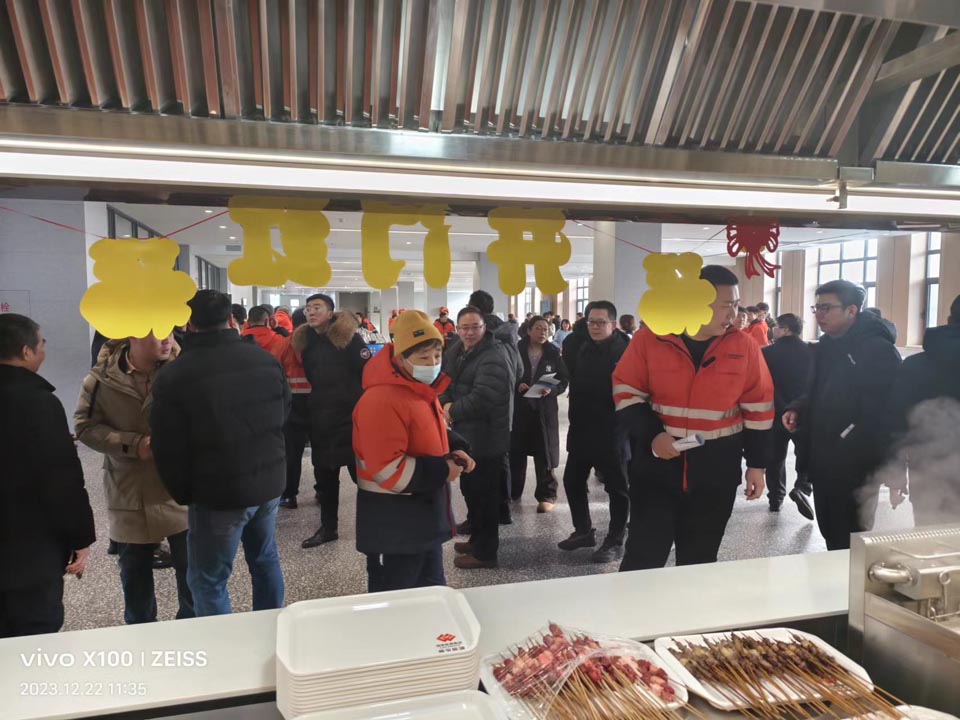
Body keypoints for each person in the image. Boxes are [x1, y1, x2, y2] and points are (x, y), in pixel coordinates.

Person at [616, 266, 773, 571]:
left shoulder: (744, 347)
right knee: (642, 559)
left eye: (736, 305)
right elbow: (626, 392)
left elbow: (759, 407)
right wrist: (653, 435)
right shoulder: (650, 339)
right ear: (695, 302)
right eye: (725, 305)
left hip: (715, 470)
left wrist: (757, 464)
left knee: (699, 561)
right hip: (657, 469)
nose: (734, 314)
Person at [150, 290, 290, 616]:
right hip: (268, 482)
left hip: (217, 492)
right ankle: (272, 627)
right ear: (231, 320)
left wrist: (183, 492)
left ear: (189, 324)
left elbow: (166, 443)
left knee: (209, 579)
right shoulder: (265, 360)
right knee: (264, 559)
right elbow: (283, 412)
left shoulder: (176, 375)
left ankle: (221, 644)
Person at [75, 332, 193, 624]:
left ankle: (193, 631)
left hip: (179, 486)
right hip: (129, 486)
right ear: (134, 336)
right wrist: (132, 444)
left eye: (169, 332)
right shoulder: (101, 378)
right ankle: (140, 635)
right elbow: (85, 426)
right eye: (157, 334)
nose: (167, 340)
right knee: (134, 575)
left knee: (192, 573)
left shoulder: (186, 371)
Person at [354, 311, 475, 592]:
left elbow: (427, 430)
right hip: (395, 527)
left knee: (431, 594)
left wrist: (456, 448)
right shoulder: (382, 400)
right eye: (423, 357)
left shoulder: (417, 389)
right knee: (399, 600)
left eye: (437, 355)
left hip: (421, 520)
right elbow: (388, 470)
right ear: (400, 357)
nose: (432, 363)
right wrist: (443, 470)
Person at [783, 279, 901, 550]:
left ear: (851, 310)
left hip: (856, 464)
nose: (819, 315)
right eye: (817, 308)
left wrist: (892, 467)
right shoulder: (826, 346)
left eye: (827, 308)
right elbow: (815, 391)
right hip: (821, 457)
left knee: (852, 537)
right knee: (830, 531)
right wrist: (797, 408)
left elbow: (886, 412)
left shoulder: (878, 350)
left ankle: (849, 577)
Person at [0, 314, 96, 637]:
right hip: (29, 549)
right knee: (33, 634)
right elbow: (60, 480)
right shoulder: (39, 403)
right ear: (26, 351)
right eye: (41, 344)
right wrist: (80, 537)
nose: (43, 350)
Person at [294, 293, 371, 547]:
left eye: (317, 307)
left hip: (351, 419)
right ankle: (328, 528)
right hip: (321, 419)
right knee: (325, 478)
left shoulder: (349, 338)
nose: (310, 312)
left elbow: (367, 373)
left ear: (330, 313)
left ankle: (373, 525)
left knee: (363, 478)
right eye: (307, 308)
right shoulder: (307, 342)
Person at [440, 306, 513, 569]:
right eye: (464, 328)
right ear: (457, 329)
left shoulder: (492, 356)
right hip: (466, 434)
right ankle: (476, 539)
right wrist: (444, 404)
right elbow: (443, 383)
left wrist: (451, 410)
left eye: (475, 327)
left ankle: (486, 553)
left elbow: (484, 397)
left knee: (486, 497)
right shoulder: (456, 351)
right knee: (471, 492)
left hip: (487, 438)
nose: (469, 333)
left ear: (484, 328)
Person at [558, 301, 631, 563]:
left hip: (612, 429)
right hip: (581, 426)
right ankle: (583, 530)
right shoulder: (582, 346)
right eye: (591, 322)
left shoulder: (625, 350)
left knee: (617, 487)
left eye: (601, 322)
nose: (595, 327)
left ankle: (615, 540)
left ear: (613, 324)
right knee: (572, 480)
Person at [882, 295, 960, 526]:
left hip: (928, 474)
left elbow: (895, 423)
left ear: (949, 320)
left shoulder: (915, 365)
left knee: (932, 538)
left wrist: (896, 475)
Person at [462, 289, 521, 525]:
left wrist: (454, 407)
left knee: (479, 468)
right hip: (505, 409)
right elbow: (519, 370)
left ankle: (480, 521)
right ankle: (503, 511)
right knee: (500, 461)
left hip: (481, 414)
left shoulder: (486, 343)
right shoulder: (508, 337)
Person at [511, 316, 569, 513]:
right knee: (516, 451)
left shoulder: (553, 352)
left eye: (545, 329)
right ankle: (513, 491)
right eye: (538, 328)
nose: (542, 332)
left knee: (544, 451)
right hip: (520, 407)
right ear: (529, 330)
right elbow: (508, 375)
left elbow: (563, 380)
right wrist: (517, 384)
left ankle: (546, 495)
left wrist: (552, 391)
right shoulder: (517, 350)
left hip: (544, 409)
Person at [761, 314, 814, 518]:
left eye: (775, 327)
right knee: (805, 452)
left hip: (774, 411)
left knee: (775, 457)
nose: (772, 330)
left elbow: (762, 384)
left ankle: (775, 498)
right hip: (803, 411)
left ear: (784, 330)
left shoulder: (766, 353)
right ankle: (802, 487)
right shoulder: (811, 352)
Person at [276, 309, 312, 509]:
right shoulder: (319, 343)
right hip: (317, 401)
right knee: (321, 450)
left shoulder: (284, 343)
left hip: (292, 403)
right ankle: (323, 490)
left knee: (292, 451)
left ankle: (290, 494)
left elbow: (275, 371)